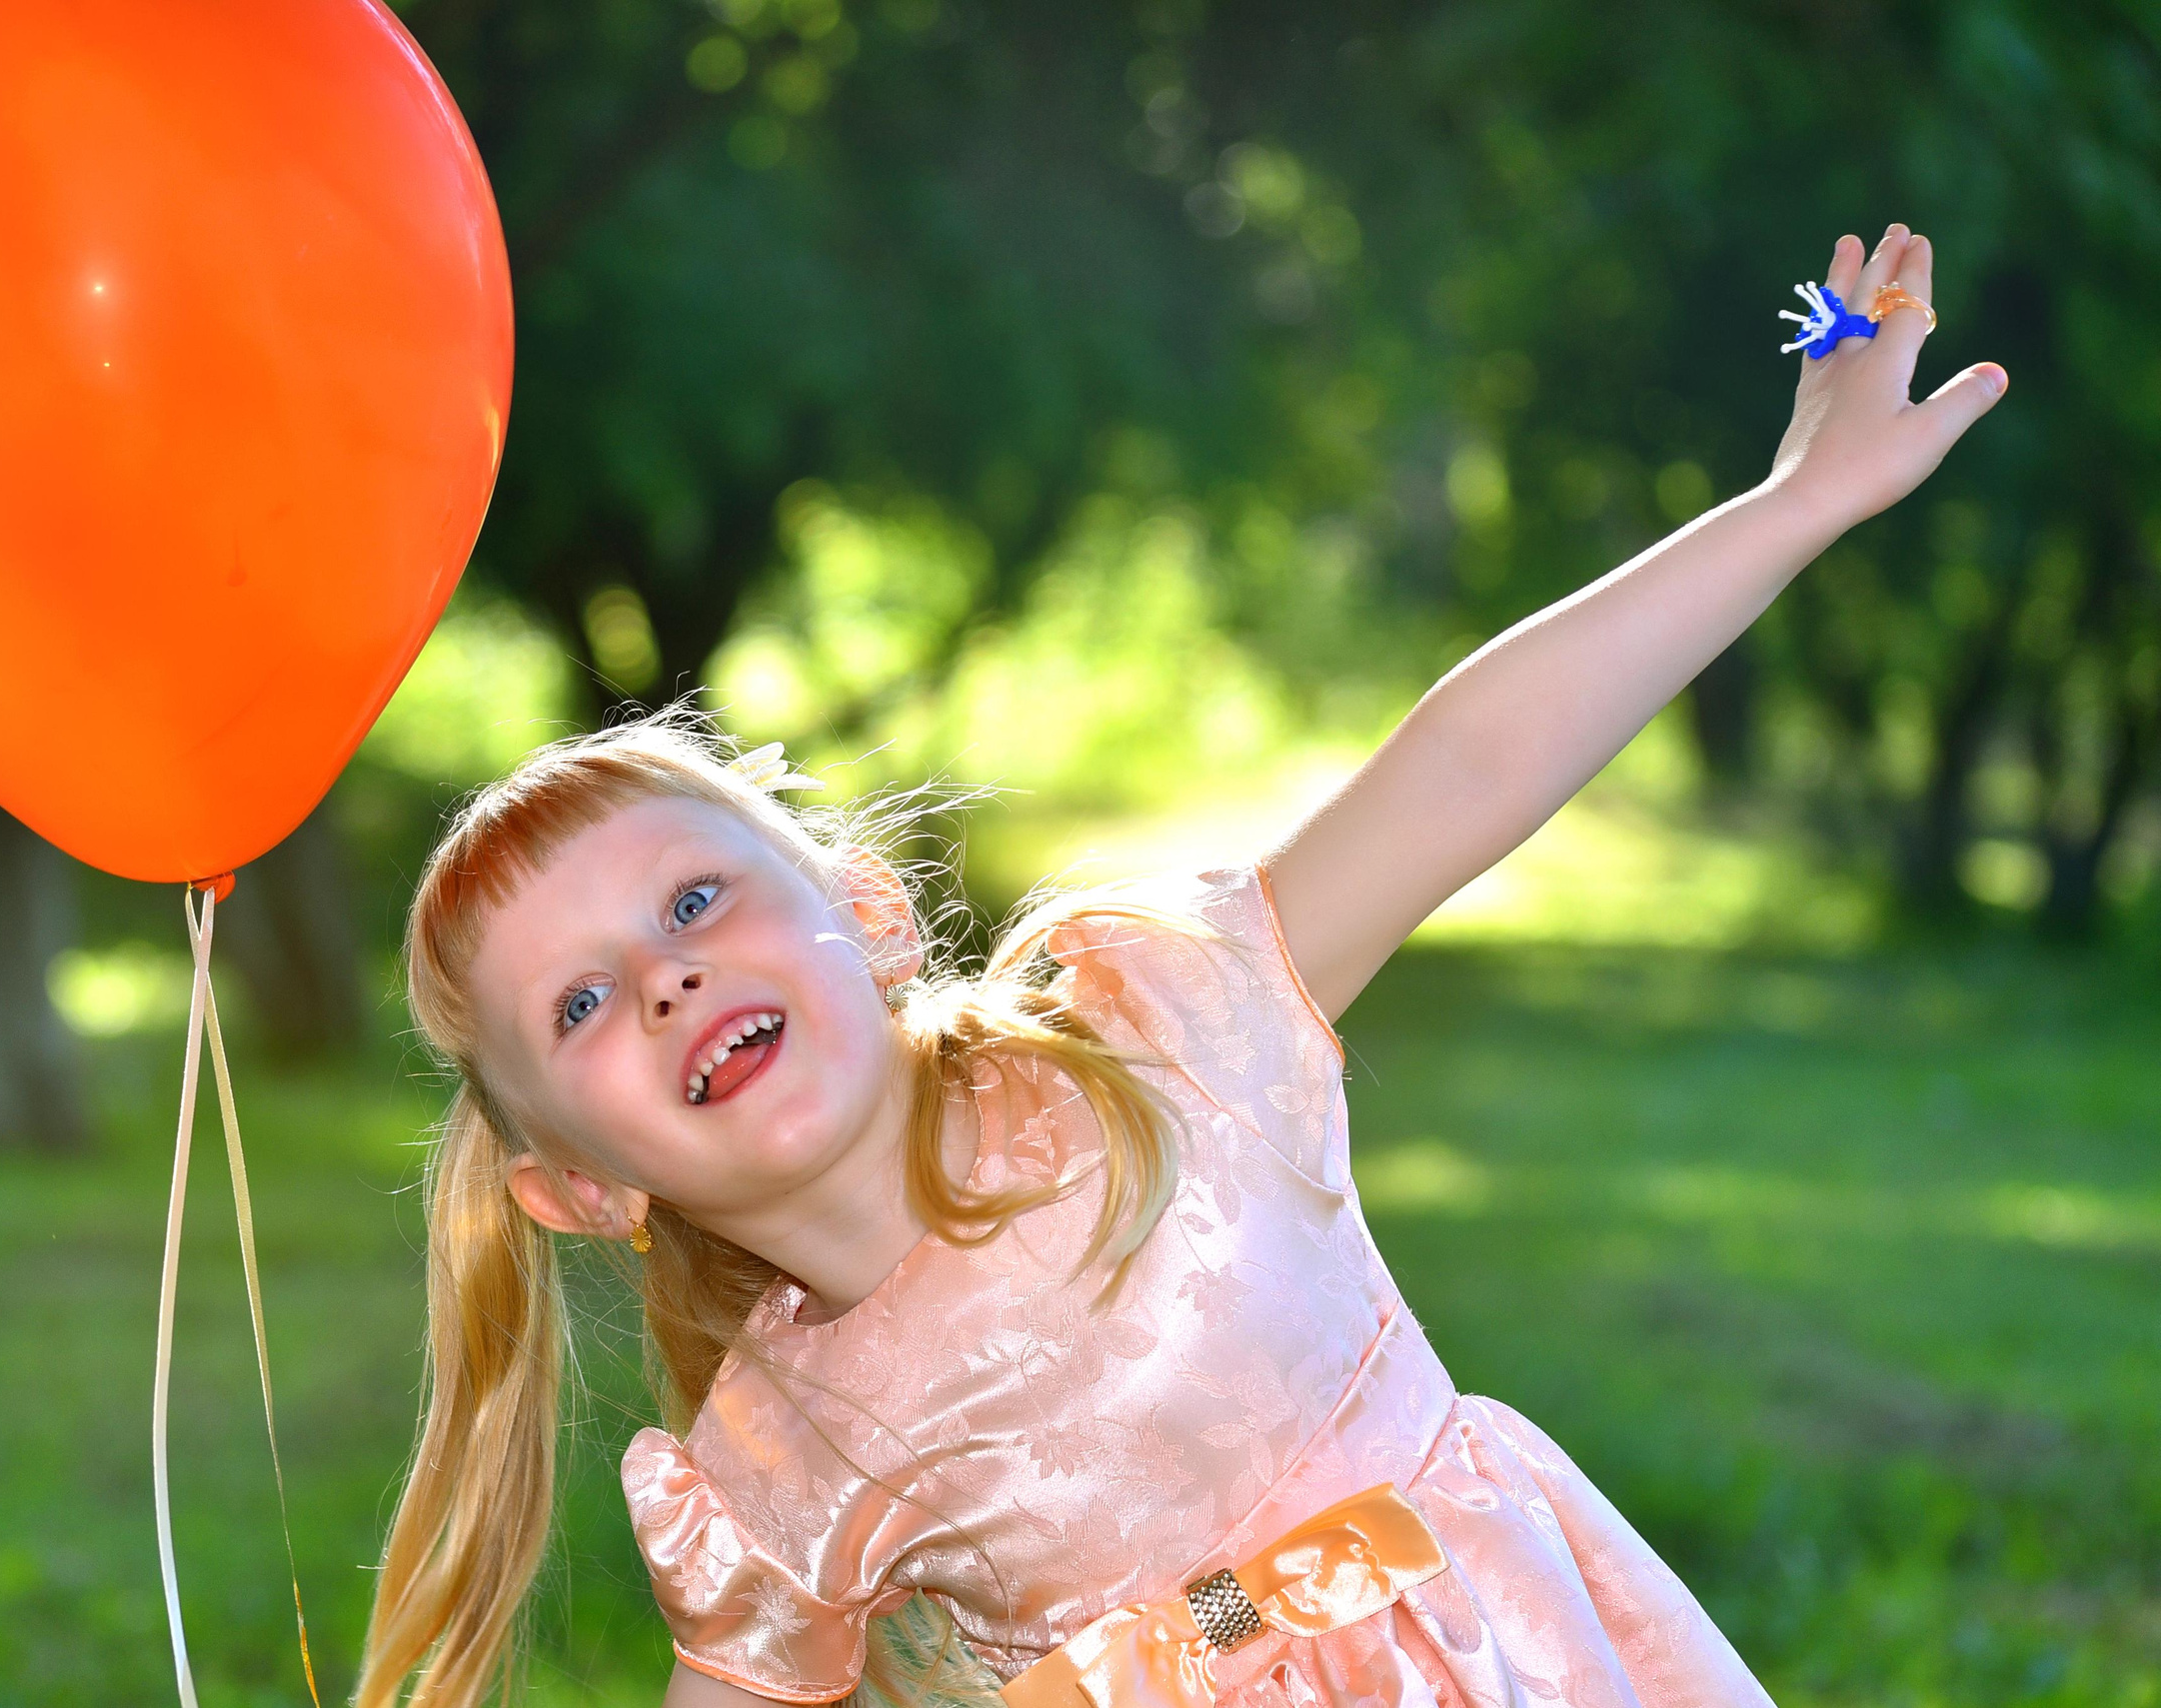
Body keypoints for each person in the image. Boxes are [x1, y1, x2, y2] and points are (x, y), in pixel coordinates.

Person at [352, 225, 2003, 1708]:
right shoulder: (782, 1461)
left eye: (698, 902)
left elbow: (1468, 764)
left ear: (865, 912)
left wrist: (1795, 504)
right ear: (574, 1186)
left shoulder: (1160, 1031)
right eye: (578, 1002)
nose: (663, 980)